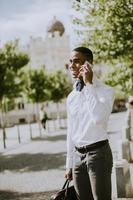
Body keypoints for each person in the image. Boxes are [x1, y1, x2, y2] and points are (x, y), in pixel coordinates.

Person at [64, 47, 115, 200]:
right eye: (70, 62)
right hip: (78, 157)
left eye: (77, 61)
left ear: (88, 64)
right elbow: (71, 131)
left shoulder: (105, 90)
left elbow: (99, 118)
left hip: (98, 154)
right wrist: (69, 164)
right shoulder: (72, 96)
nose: (72, 65)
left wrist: (89, 85)